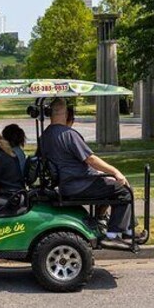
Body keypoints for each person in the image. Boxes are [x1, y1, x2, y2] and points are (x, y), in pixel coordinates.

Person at [40, 98, 135, 244]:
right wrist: (115, 171)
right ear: (65, 113)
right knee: (124, 191)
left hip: (68, 183)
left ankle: (128, 231)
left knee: (114, 185)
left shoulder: (45, 136)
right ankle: (113, 235)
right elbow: (90, 159)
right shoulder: (68, 134)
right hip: (80, 184)